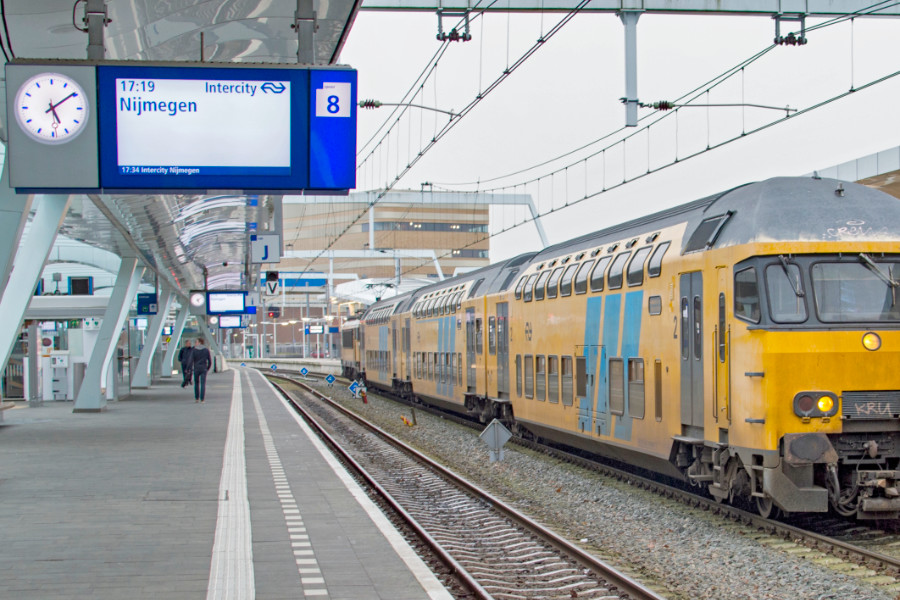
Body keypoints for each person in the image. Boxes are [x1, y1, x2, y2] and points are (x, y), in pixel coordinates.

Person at [191, 337, 212, 403]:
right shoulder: (206, 350)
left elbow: (191, 360)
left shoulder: (194, 350)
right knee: (203, 384)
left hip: (196, 368)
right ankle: (202, 399)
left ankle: (196, 398)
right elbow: (210, 361)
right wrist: (207, 368)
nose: (195, 343)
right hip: (203, 368)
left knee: (196, 383)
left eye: (196, 342)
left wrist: (190, 368)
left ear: (200, 342)